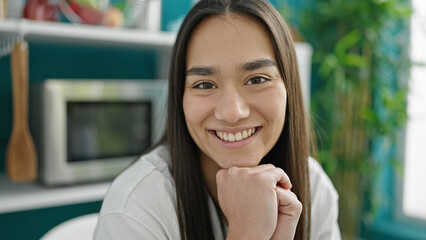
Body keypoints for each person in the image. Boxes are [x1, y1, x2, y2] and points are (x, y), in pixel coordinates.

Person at [94, 0, 341, 239]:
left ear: (289, 86)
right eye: (204, 84)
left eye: (257, 79)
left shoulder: (314, 189)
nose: (232, 113)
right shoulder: (135, 208)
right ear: (180, 96)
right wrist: (247, 233)